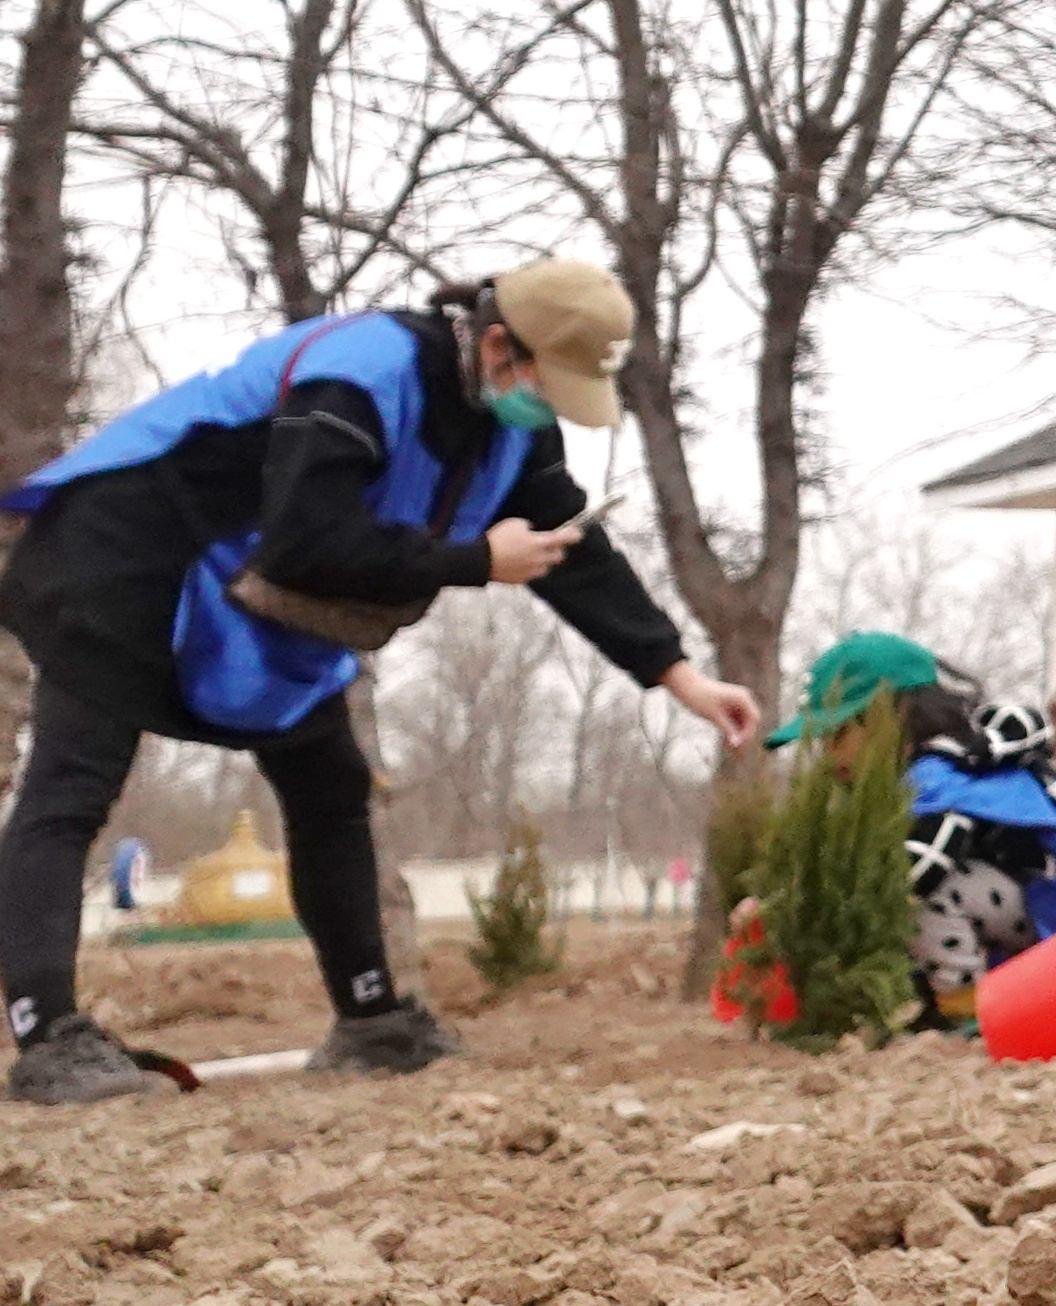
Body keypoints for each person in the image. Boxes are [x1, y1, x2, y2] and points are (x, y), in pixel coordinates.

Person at [0, 262, 761, 1101]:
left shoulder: (510, 422)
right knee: (71, 787)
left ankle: (371, 1022)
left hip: (248, 599)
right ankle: (50, 1039)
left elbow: (567, 548)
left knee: (330, 784)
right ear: (499, 343)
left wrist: (680, 676)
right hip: (119, 559)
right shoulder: (361, 375)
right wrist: (476, 561)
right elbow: (306, 539)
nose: (552, 409)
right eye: (551, 383)